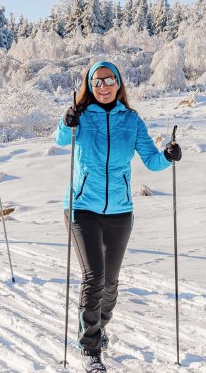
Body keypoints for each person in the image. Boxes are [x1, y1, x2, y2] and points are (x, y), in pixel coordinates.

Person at [54, 61, 182, 372]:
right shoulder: (80, 116)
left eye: (109, 79)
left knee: (110, 283)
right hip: (82, 207)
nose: (104, 85)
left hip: (120, 211)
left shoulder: (131, 120)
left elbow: (151, 161)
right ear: (90, 85)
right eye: (97, 81)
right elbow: (60, 139)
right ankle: (90, 348)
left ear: (119, 83)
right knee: (93, 278)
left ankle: (99, 325)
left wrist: (168, 156)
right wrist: (65, 120)